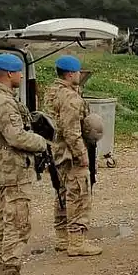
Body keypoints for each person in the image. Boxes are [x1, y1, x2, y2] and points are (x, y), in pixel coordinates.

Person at [0, 53, 49, 275]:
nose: (21, 76)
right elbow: (16, 137)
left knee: (13, 222)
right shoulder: (2, 103)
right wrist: (42, 143)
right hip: (12, 170)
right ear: (9, 74)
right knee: (17, 223)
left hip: (9, 169)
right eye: (19, 72)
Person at [42, 55, 102, 257]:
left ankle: (62, 238)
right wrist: (82, 155)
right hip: (70, 154)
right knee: (78, 194)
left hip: (56, 152)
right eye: (77, 72)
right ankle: (76, 242)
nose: (79, 75)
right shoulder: (70, 98)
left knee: (61, 194)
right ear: (70, 73)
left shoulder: (52, 92)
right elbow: (71, 130)